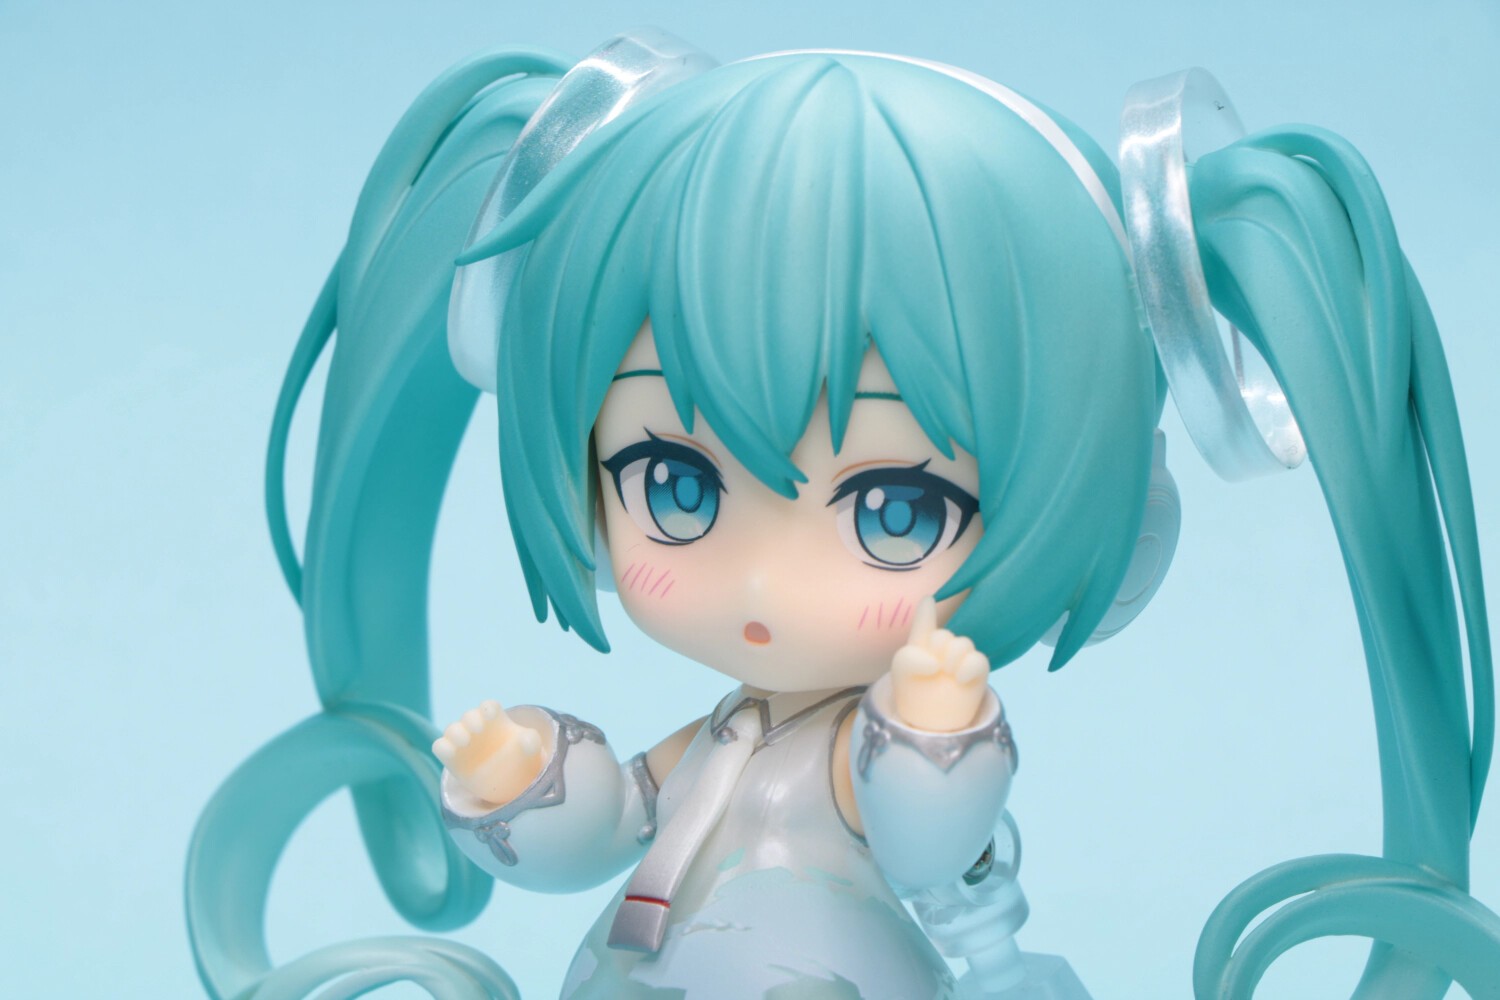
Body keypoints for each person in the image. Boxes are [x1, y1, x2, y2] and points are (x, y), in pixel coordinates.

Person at [186, 32, 1500, 999]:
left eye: (893, 510)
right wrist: (523, 783)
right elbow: (615, 825)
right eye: (676, 484)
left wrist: (933, 738)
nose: (766, 579)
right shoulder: (711, 743)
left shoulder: (863, 747)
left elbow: (927, 846)